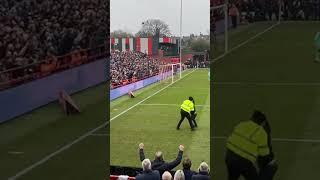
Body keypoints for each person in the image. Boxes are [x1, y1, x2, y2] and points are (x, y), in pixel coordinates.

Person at [225, 110, 277, 180]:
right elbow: (264, 154)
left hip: (229, 156)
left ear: (252, 118)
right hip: (244, 162)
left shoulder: (241, 124)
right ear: (262, 122)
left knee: (232, 177)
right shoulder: (262, 132)